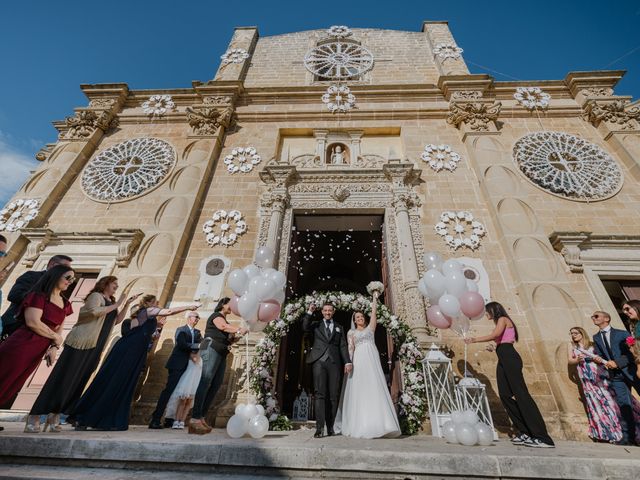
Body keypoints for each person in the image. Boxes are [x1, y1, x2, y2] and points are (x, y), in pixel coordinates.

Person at [26, 277, 140, 432]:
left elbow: (117, 321)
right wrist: (117, 304)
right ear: (105, 284)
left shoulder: (111, 301)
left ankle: (55, 417)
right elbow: (92, 312)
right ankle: (34, 416)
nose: (116, 287)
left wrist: (125, 305)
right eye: (114, 285)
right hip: (81, 344)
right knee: (62, 379)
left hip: (96, 346)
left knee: (76, 382)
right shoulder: (96, 297)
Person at [72, 295, 200, 431]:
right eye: (156, 303)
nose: (158, 306)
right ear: (148, 303)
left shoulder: (147, 318)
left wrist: (158, 328)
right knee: (114, 380)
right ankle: (86, 417)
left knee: (124, 383)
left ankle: (108, 420)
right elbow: (168, 312)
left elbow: (147, 336)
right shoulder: (146, 311)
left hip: (137, 351)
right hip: (129, 350)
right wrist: (189, 306)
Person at [465, 302, 554, 448]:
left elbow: (496, 335)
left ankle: (542, 437)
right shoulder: (499, 322)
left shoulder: (503, 319)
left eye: (487, 312)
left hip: (510, 357)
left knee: (521, 395)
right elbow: (500, 340)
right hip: (503, 357)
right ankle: (525, 432)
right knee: (505, 395)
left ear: (493, 310)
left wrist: (474, 339)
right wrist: (493, 346)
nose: (486, 314)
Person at [0, 265, 75, 413]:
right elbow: (33, 322)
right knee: (4, 377)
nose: (70, 281)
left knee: (15, 382)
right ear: (55, 276)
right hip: (22, 343)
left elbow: (59, 327)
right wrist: (55, 337)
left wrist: (54, 347)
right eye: (67, 277)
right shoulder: (39, 296)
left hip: (38, 349)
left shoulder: (65, 303)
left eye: (72, 279)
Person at [338, 292, 400, 438]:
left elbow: (374, 314)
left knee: (374, 385)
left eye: (361, 317)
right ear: (354, 320)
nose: (360, 319)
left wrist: (374, 298)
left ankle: (382, 424)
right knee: (360, 388)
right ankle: (361, 423)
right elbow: (350, 349)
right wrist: (349, 363)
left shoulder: (370, 329)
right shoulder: (351, 333)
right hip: (358, 361)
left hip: (371, 359)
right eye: (357, 318)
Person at [568, 326, 640, 443]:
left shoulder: (592, 343)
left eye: (576, 333)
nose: (573, 335)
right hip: (587, 377)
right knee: (598, 402)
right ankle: (608, 432)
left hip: (600, 374)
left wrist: (597, 359)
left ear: (582, 333)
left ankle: (626, 431)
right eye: (571, 333)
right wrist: (577, 360)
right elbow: (570, 360)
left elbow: (603, 358)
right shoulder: (572, 346)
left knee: (612, 401)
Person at [189, 297, 247, 435]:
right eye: (230, 304)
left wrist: (236, 337)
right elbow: (222, 327)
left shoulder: (225, 320)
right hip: (211, 349)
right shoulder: (216, 316)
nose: (232, 307)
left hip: (221, 352)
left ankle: (201, 417)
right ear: (223, 305)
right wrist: (238, 329)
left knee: (216, 384)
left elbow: (228, 337)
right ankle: (195, 418)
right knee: (205, 380)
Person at [303, 302, 352, 438]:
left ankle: (330, 427)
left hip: (334, 363)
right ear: (322, 311)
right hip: (319, 362)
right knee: (319, 394)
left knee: (333, 396)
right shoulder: (316, 324)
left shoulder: (339, 327)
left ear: (333, 311)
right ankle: (319, 428)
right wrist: (309, 312)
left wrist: (347, 361)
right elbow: (305, 327)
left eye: (330, 310)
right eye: (325, 310)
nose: (328, 312)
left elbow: (343, 345)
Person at [591, 310, 640, 445]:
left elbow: (632, 354)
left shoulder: (622, 333)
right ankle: (628, 437)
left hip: (631, 371)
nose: (593, 318)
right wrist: (598, 360)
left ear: (606, 318)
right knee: (624, 405)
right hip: (616, 376)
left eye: (596, 316)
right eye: (592, 317)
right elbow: (602, 355)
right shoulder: (596, 337)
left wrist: (617, 363)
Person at [149, 310, 203, 429]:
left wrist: (199, 347)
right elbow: (181, 344)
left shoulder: (198, 332)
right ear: (189, 318)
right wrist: (197, 346)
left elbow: (201, 344)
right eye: (196, 317)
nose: (198, 319)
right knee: (169, 390)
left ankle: (170, 419)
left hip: (190, 366)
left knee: (180, 394)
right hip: (177, 364)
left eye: (199, 318)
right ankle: (156, 419)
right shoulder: (181, 330)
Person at [1, 254, 73, 339]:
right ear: (53, 265)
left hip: (37, 335)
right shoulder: (32, 276)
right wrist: (38, 302)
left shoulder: (59, 289)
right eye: (64, 266)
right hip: (14, 326)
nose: (66, 270)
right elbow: (14, 295)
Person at [621, 300, 640, 364]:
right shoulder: (634, 325)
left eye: (627, 309)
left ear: (636, 306)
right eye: (624, 311)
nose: (625, 312)